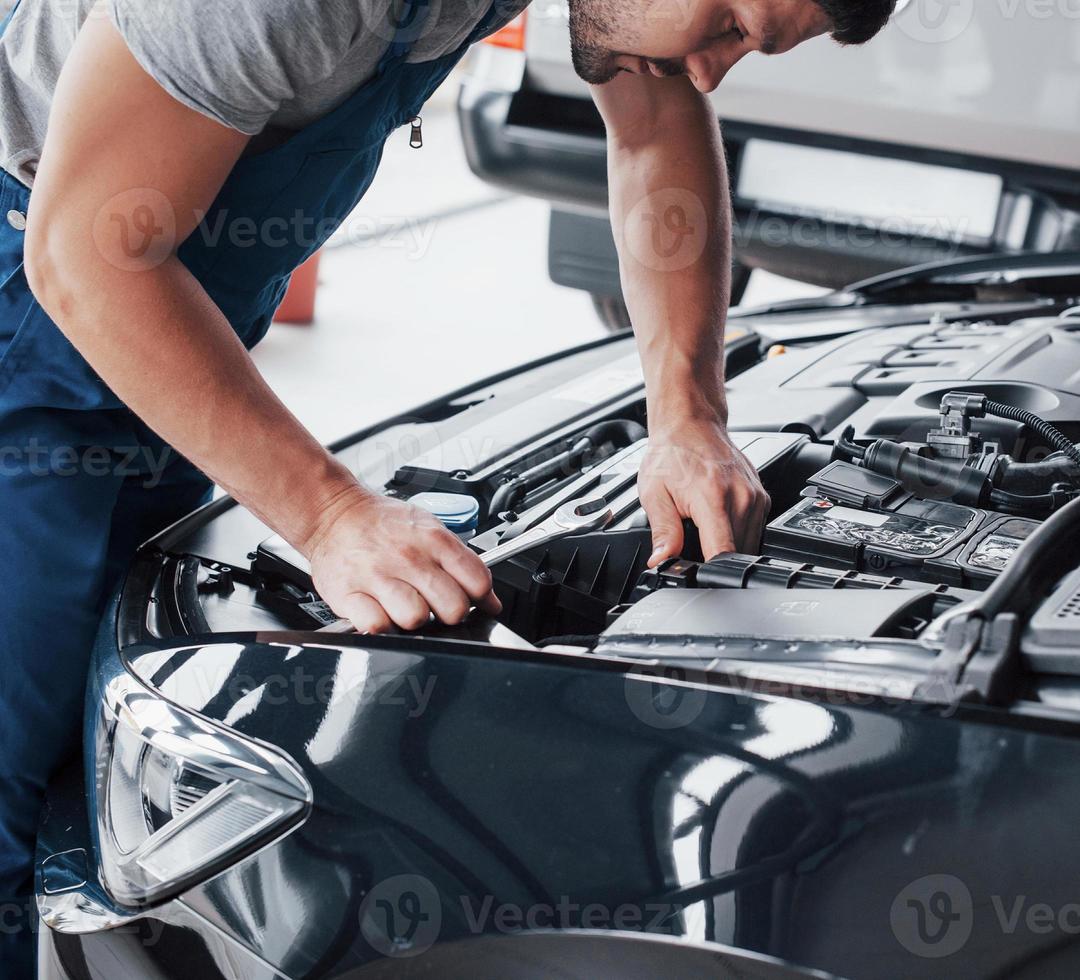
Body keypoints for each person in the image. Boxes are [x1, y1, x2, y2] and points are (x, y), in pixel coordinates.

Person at [0, 0, 896, 970]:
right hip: (45, 311)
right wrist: (330, 514)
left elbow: (657, 122)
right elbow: (84, 255)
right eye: (727, 21)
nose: (713, 69)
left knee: (92, 759)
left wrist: (688, 417)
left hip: (157, 345)